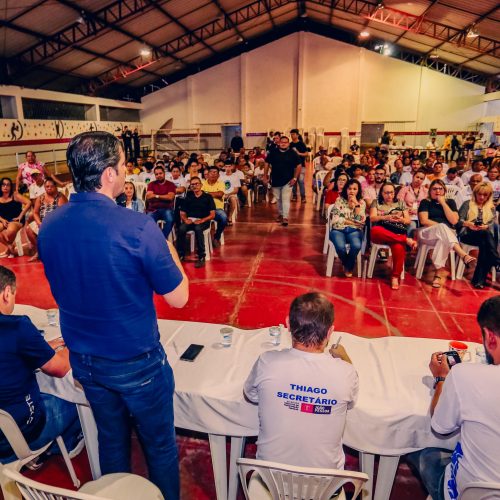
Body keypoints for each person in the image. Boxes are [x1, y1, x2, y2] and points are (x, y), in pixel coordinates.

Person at [38, 131, 188, 500]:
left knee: (111, 439)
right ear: (108, 174)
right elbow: (179, 297)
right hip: (136, 362)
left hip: (85, 360)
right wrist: (168, 248)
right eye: (122, 166)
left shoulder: (50, 224)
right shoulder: (137, 226)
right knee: (159, 447)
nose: (125, 172)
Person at [244, 292, 358, 469]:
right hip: (325, 483)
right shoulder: (346, 372)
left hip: (270, 479)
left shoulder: (266, 362)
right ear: (330, 332)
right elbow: (350, 403)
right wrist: (345, 359)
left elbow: (251, 395)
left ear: (288, 324)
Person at [406, 295, 500, 500]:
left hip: (467, 493)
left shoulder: (465, 375)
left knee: (421, 451)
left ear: (490, 337)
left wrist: (442, 378)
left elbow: (440, 427)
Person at [0, 266, 83, 462]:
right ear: (7, 293)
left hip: (6, 424)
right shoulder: (16, 327)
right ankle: (67, 443)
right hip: (17, 435)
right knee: (79, 400)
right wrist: (74, 345)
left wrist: (40, 348)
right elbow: (60, 368)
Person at [418, 179, 475, 289]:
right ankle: (462, 254)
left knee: (443, 240)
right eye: (434, 189)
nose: (438, 191)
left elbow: (454, 221)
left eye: (440, 189)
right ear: (430, 191)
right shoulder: (425, 202)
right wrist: (442, 227)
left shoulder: (450, 202)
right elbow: (424, 221)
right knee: (443, 228)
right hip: (427, 232)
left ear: (444, 190)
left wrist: (443, 203)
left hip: (445, 236)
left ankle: (437, 275)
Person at [370, 182, 417, 290]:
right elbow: (372, 218)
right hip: (382, 232)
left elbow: (408, 221)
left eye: (391, 192)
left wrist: (400, 219)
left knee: (399, 247)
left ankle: (395, 276)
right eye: (386, 193)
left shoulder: (400, 203)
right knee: (374, 230)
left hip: (396, 232)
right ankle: (405, 239)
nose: (389, 195)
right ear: (381, 193)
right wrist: (386, 217)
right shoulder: (376, 202)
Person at [458, 183, 499, 289]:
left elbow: (491, 223)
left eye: (485, 195)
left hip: (484, 236)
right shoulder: (467, 204)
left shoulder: (491, 207)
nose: (481, 197)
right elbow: (458, 221)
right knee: (486, 236)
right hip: (468, 234)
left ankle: (478, 281)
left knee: (485, 242)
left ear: (489, 196)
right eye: (479, 194)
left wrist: (486, 226)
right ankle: (496, 260)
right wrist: (469, 224)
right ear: (475, 193)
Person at [329, 179, 366, 277]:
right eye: (349, 188)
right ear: (346, 189)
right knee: (340, 247)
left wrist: (356, 205)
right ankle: (348, 265)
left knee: (356, 246)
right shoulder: (339, 200)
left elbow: (360, 221)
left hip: (354, 231)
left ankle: (347, 266)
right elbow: (336, 219)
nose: (352, 191)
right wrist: (352, 222)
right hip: (338, 229)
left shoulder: (361, 203)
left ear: (358, 190)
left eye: (355, 189)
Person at [176, 176, 215, 268]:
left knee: (198, 228)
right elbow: (182, 213)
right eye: (192, 184)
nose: (194, 186)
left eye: (196, 184)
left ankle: (201, 256)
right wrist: (186, 219)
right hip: (190, 220)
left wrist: (202, 220)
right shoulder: (188, 197)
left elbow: (212, 214)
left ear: (201, 185)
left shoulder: (208, 197)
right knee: (181, 228)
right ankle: (181, 254)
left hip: (203, 220)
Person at [25, 178, 68, 262]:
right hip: (42, 224)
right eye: (47, 186)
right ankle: (39, 251)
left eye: (51, 186)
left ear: (55, 187)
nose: (49, 188)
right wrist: (39, 223)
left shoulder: (60, 197)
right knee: (29, 229)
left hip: (56, 224)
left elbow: (62, 214)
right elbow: (35, 213)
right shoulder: (41, 197)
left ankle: (52, 252)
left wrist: (50, 224)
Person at [264, 136, 301, 227]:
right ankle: (281, 214)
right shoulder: (273, 152)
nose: (283, 144)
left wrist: (295, 178)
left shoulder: (293, 153)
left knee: (285, 198)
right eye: (282, 142)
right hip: (275, 180)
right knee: (278, 199)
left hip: (288, 180)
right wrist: (265, 175)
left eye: (285, 142)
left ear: (288, 143)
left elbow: (299, 165)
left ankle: (285, 217)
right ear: (279, 143)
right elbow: (266, 163)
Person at [0, 177, 31, 258]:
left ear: (11, 187)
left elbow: (28, 202)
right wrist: (2, 220)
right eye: (3, 185)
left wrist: (21, 215)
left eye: (8, 185)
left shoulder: (15, 195)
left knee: (10, 231)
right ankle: (9, 246)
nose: (5, 187)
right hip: (4, 220)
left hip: (16, 219)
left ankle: (9, 250)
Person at [145, 165, 176, 238]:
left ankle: (162, 238)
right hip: (153, 209)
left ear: (164, 173)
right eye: (156, 174)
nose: (159, 175)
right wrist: (164, 196)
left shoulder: (170, 184)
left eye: (160, 173)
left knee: (170, 220)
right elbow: (148, 196)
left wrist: (156, 196)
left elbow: (170, 197)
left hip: (167, 209)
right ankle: (154, 238)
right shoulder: (151, 184)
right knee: (148, 221)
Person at [397, 170, 428, 236]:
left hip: (421, 215)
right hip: (408, 215)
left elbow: (427, 205)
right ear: (413, 177)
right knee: (412, 226)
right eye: (417, 177)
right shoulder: (404, 189)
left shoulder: (425, 191)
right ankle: (410, 242)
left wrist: (417, 210)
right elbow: (400, 203)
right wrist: (406, 210)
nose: (419, 180)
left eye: (421, 178)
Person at [202, 166, 227, 247]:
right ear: (208, 174)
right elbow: (200, 195)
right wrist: (214, 194)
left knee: (223, 217)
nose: (213, 174)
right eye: (211, 172)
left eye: (215, 172)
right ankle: (201, 239)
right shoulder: (202, 183)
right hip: (204, 209)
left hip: (217, 209)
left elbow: (220, 194)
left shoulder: (221, 183)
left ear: (218, 175)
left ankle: (216, 237)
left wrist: (206, 193)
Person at [290, 129, 308, 203]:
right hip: (292, 166)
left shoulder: (301, 144)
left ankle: (303, 197)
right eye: (291, 134)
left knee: (300, 181)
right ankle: (294, 195)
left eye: (293, 134)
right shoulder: (290, 144)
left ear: (297, 135)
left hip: (301, 165)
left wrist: (299, 153)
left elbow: (306, 154)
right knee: (293, 181)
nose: (292, 136)